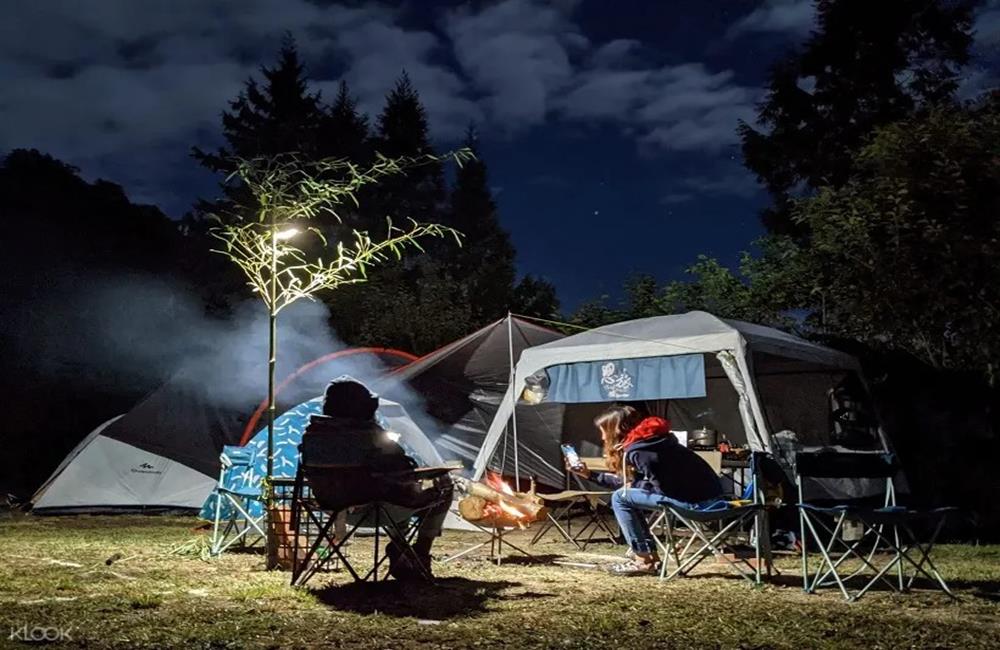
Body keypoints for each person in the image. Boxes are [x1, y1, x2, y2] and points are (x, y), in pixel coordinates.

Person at [298, 376, 453, 580]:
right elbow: (404, 467)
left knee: (397, 491)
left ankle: (400, 551)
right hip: (375, 508)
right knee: (442, 488)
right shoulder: (370, 434)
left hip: (332, 508)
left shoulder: (311, 436)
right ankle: (418, 553)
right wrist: (426, 472)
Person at [569, 404, 723, 576]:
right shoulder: (654, 442)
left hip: (698, 505)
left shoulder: (640, 452)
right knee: (625, 495)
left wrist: (634, 486)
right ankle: (647, 557)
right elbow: (635, 482)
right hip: (711, 498)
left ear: (619, 430)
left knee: (620, 498)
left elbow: (661, 489)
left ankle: (644, 560)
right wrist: (589, 475)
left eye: (604, 430)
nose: (603, 437)